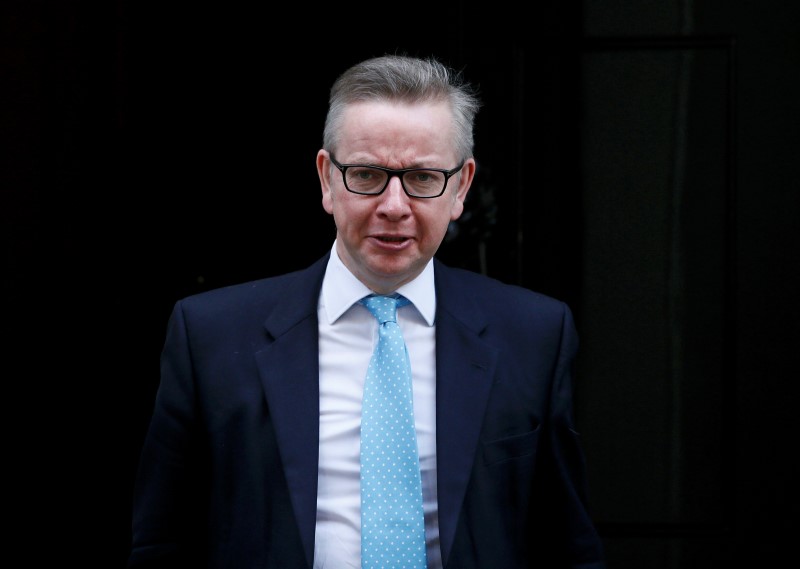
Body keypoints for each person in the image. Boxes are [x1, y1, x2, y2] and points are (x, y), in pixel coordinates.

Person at [127, 54, 606, 569]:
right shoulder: (211, 336)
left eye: (423, 178)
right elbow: (163, 544)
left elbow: (566, 545)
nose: (394, 205)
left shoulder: (533, 334)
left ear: (462, 186)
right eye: (368, 174)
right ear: (326, 179)